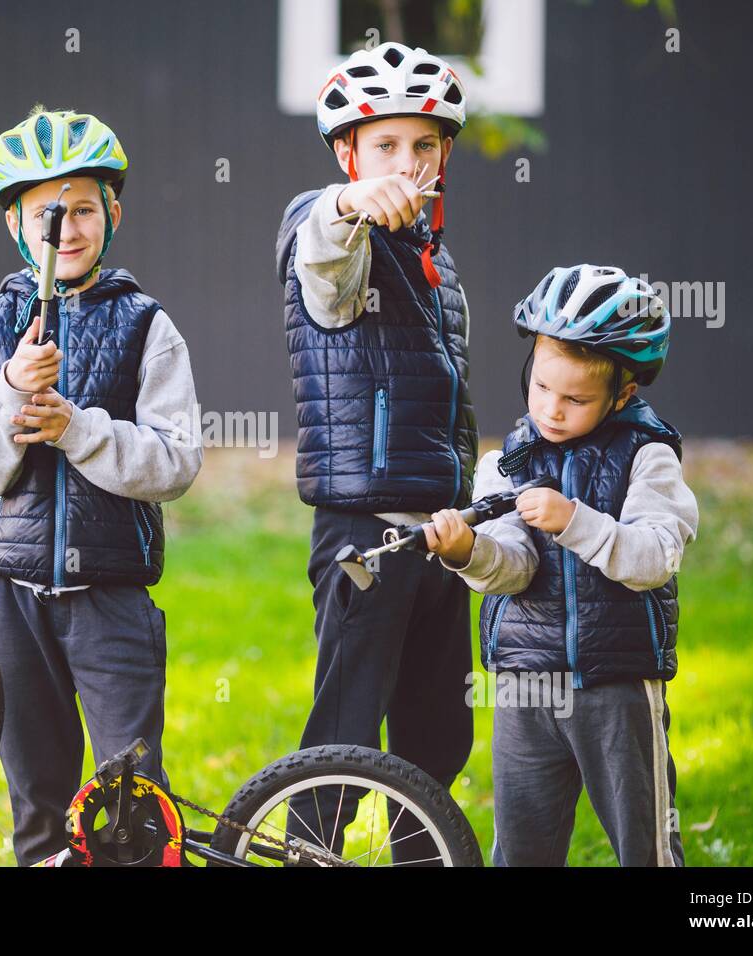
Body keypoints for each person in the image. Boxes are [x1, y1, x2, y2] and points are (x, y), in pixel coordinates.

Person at [0, 106, 202, 866]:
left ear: (112, 213)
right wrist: (10, 391)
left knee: (130, 806)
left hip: (111, 597)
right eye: (46, 213)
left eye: (84, 208)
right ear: (15, 225)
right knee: (38, 806)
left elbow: (176, 463)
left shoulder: (148, 325)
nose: (67, 228)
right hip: (7, 597)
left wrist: (78, 430)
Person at [276, 41, 478, 861]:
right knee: (346, 733)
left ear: (445, 155)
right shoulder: (331, 234)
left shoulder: (438, 267)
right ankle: (303, 852)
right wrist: (349, 202)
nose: (407, 163)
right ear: (346, 152)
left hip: (439, 535)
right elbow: (320, 248)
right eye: (385, 145)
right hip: (367, 532)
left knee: (436, 736)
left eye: (423, 145)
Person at [424, 264, 699, 866]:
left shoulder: (647, 456)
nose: (551, 409)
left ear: (623, 393)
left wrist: (575, 520)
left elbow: (655, 555)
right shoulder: (509, 461)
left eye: (575, 399)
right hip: (527, 683)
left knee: (645, 846)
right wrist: (466, 552)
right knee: (521, 850)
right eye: (541, 387)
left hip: (617, 685)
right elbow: (516, 568)